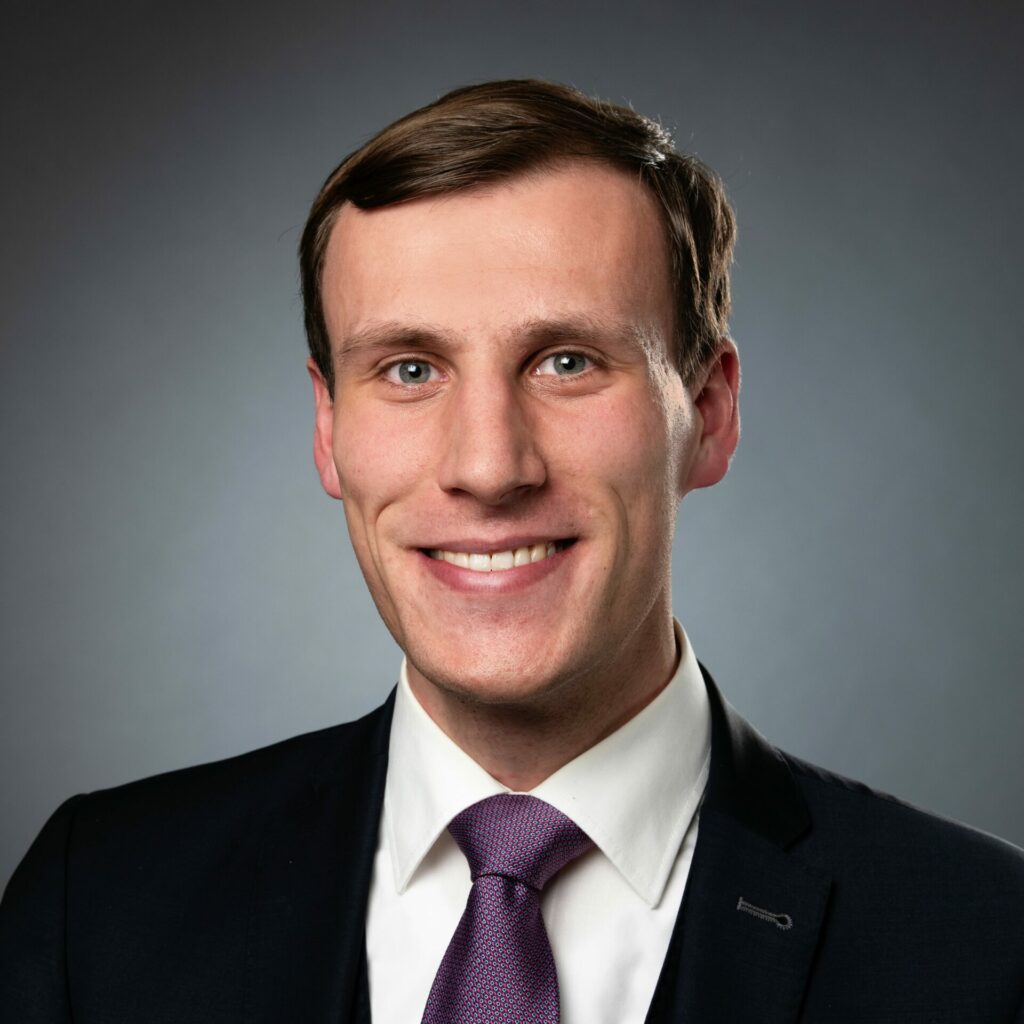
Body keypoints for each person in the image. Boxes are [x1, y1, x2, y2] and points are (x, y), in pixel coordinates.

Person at [2, 79, 1022, 1023]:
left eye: (567, 361)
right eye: (409, 368)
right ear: (327, 428)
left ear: (707, 412)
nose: (488, 466)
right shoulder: (94, 905)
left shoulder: (983, 944)